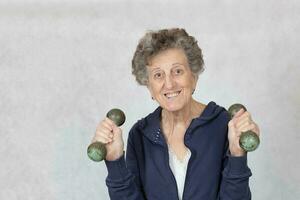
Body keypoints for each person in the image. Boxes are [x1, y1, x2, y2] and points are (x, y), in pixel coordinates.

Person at [91, 28, 260, 200]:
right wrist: (115, 162)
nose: (169, 84)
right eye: (158, 75)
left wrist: (238, 155)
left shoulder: (223, 125)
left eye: (177, 71)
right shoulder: (140, 135)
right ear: (149, 86)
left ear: (193, 77)